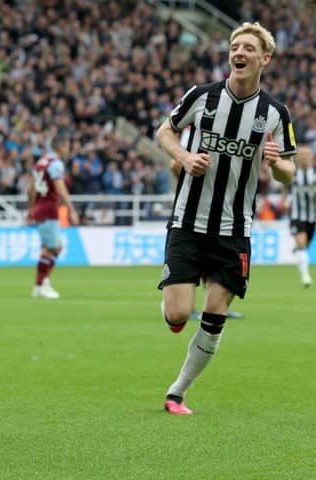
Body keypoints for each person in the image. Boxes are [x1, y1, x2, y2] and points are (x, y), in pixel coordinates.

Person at [155, 22, 296, 415]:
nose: (240, 51)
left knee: (215, 315)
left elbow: (289, 172)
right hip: (187, 221)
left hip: (235, 230)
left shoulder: (274, 113)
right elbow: (164, 132)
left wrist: (277, 166)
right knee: (179, 313)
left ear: (264, 58)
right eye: (236, 45)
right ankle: (174, 311)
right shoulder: (201, 97)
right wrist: (183, 158)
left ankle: (177, 392)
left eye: (249, 47)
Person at [169, 159, 244, 320]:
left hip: (221, 216)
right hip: (193, 217)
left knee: (212, 269)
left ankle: (214, 308)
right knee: (194, 267)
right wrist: (187, 174)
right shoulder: (193, 137)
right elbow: (175, 164)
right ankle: (188, 307)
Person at [27, 135, 79, 298]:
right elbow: (61, 189)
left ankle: (43, 283)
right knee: (54, 248)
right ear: (61, 146)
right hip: (49, 209)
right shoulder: (55, 164)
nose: (68, 150)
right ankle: (40, 285)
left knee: (50, 248)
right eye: (67, 146)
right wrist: (71, 210)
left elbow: (30, 188)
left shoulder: (41, 162)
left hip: (39, 208)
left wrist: (30, 208)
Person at [287, 144, 316, 287]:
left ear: (312, 157)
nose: (304, 158)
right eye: (301, 155)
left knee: (305, 244)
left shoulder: (314, 173)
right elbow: (283, 184)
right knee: (302, 244)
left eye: (307, 155)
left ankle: (297, 249)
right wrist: (285, 198)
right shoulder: (292, 172)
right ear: (297, 157)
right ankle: (306, 277)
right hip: (296, 215)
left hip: (312, 217)